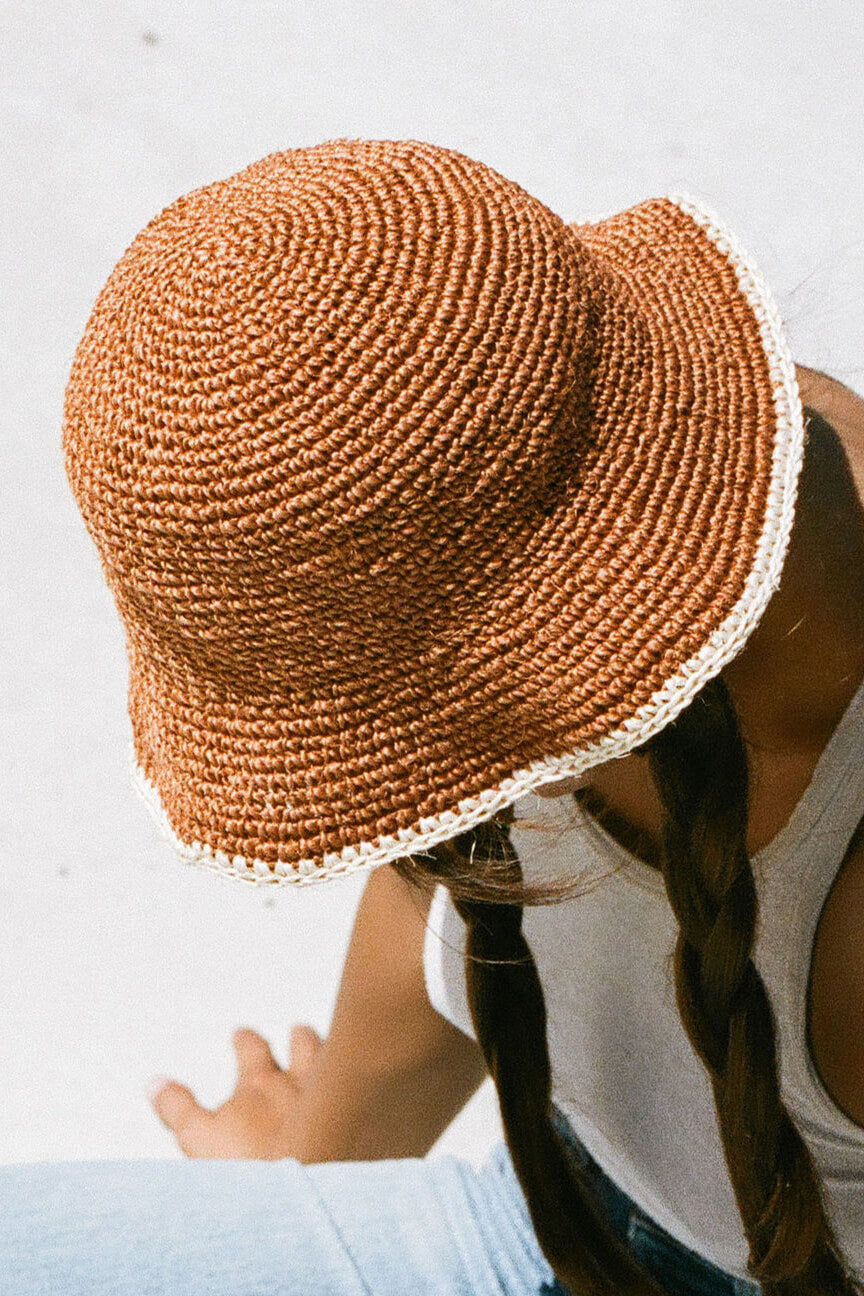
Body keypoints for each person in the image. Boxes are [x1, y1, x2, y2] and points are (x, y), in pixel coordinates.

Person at [7, 137, 864, 1294]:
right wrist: (309, 1176)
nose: (388, 792)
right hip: (562, 1215)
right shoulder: (746, 442)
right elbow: (448, 869)